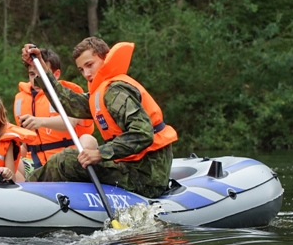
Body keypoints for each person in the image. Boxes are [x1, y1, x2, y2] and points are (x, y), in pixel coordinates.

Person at [21, 37, 177, 198]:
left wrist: (100, 153)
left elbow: (143, 134)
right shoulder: (102, 92)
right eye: (81, 69)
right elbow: (68, 103)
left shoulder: (116, 91)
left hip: (146, 178)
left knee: (66, 159)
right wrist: (41, 67)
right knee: (68, 159)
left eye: (90, 65)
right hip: (133, 167)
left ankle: (24, 195)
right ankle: (29, 190)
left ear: (105, 58)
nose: (87, 74)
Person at [15, 47, 95, 177]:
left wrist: (40, 122)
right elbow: (26, 143)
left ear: (56, 74)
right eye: (31, 74)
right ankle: (24, 192)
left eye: (39, 74)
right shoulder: (21, 99)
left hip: (66, 159)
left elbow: (70, 122)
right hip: (34, 162)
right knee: (7, 156)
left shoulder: (69, 93)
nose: (35, 78)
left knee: (88, 139)